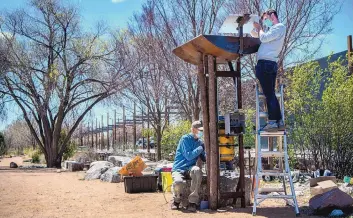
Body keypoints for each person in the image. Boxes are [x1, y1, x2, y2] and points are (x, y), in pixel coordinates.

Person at [252, 9, 286, 131]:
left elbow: (264, 38)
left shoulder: (279, 27)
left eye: (266, 18)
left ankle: (272, 122)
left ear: (272, 16)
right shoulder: (273, 30)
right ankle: (279, 121)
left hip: (266, 64)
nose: (265, 21)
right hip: (269, 63)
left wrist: (260, 28)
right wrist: (255, 29)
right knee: (270, 93)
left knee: (269, 94)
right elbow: (258, 36)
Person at [170, 120, 206, 212]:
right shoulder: (185, 139)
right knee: (178, 181)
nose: (201, 133)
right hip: (179, 168)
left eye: (202, 131)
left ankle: (192, 202)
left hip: (190, 168)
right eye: (200, 130)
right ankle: (176, 201)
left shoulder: (199, 142)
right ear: (193, 129)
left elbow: (204, 158)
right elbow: (189, 156)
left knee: (197, 170)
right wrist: (201, 148)